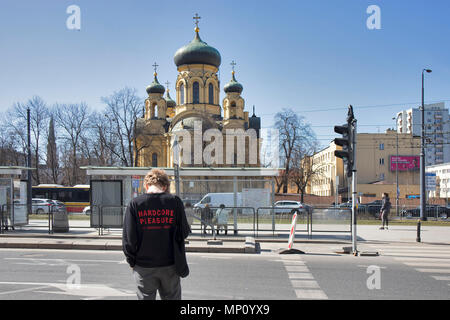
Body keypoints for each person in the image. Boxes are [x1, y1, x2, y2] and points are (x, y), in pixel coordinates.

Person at [122, 169, 191, 300]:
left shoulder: (135, 204)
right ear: (165, 186)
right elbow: (184, 232)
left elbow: (129, 239)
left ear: (146, 185)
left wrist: (131, 261)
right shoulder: (175, 202)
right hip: (170, 264)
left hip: (143, 266)